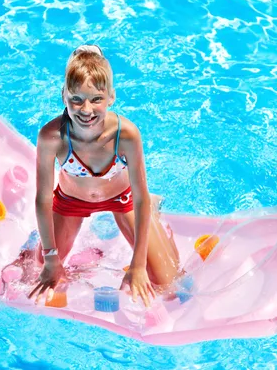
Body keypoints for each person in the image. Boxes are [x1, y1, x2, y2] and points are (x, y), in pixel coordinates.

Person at [26, 45, 180, 307]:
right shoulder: (52, 137)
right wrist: (51, 259)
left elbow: (139, 196)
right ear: (64, 95)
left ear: (111, 97)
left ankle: (156, 210)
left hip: (122, 198)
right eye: (77, 98)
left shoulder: (127, 135)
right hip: (70, 201)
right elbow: (43, 199)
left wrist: (138, 264)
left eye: (96, 99)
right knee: (38, 270)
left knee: (167, 281)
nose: (86, 109)